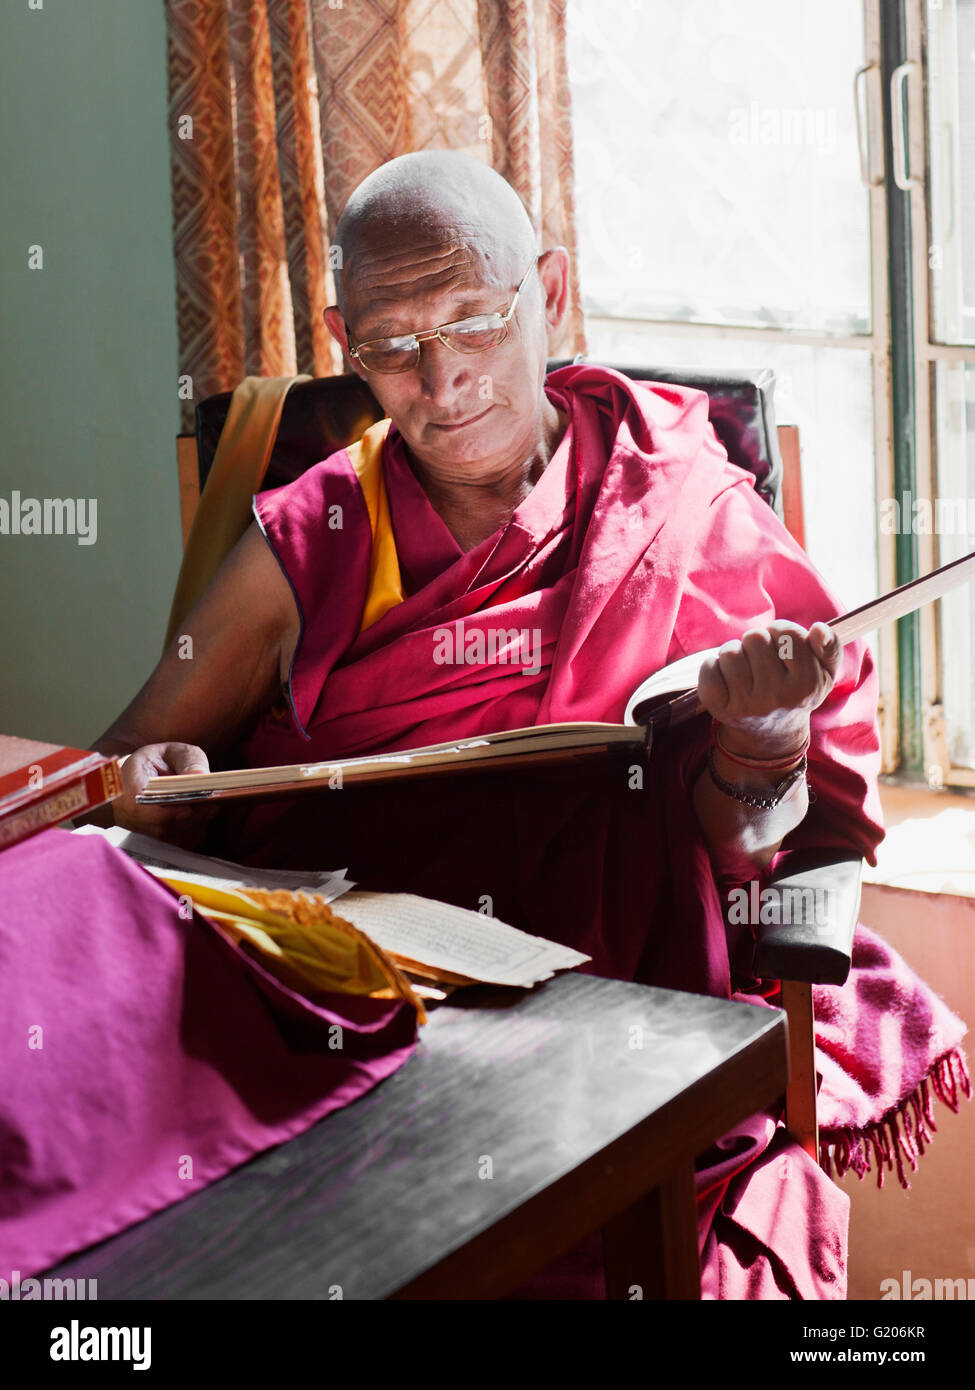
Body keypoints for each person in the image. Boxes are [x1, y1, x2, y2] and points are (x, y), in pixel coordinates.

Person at [87, 151, 964, 1299]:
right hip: (367, 998)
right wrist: (156, 780)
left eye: (473, 322)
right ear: (341, 333)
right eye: (392, 345)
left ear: (549, 292)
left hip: (620, 1006)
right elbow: (116, 776)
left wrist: (761, 749)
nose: (442, 386)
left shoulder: (675, 496)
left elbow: (768, 851)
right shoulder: (323, 524)